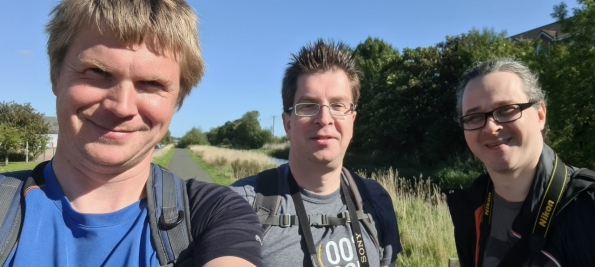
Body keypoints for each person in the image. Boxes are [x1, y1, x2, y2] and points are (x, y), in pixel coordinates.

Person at [0, 0, 263, 266]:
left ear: (178, 98)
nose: (121, 107)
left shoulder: (213, 214)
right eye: (97, 72)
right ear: (56, 74)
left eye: (151, 84)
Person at [230, 39, 402, 267]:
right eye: (308, 106)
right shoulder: (242, 205)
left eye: (338, 105)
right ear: (288, 124)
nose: (324, 119)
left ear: (352, 120)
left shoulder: (375, 201)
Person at [447, 58, 595, 267]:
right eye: (474, 117)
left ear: (540, 115)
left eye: (506, 109)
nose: (490, 128)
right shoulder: (473, 206)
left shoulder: (588, 207)